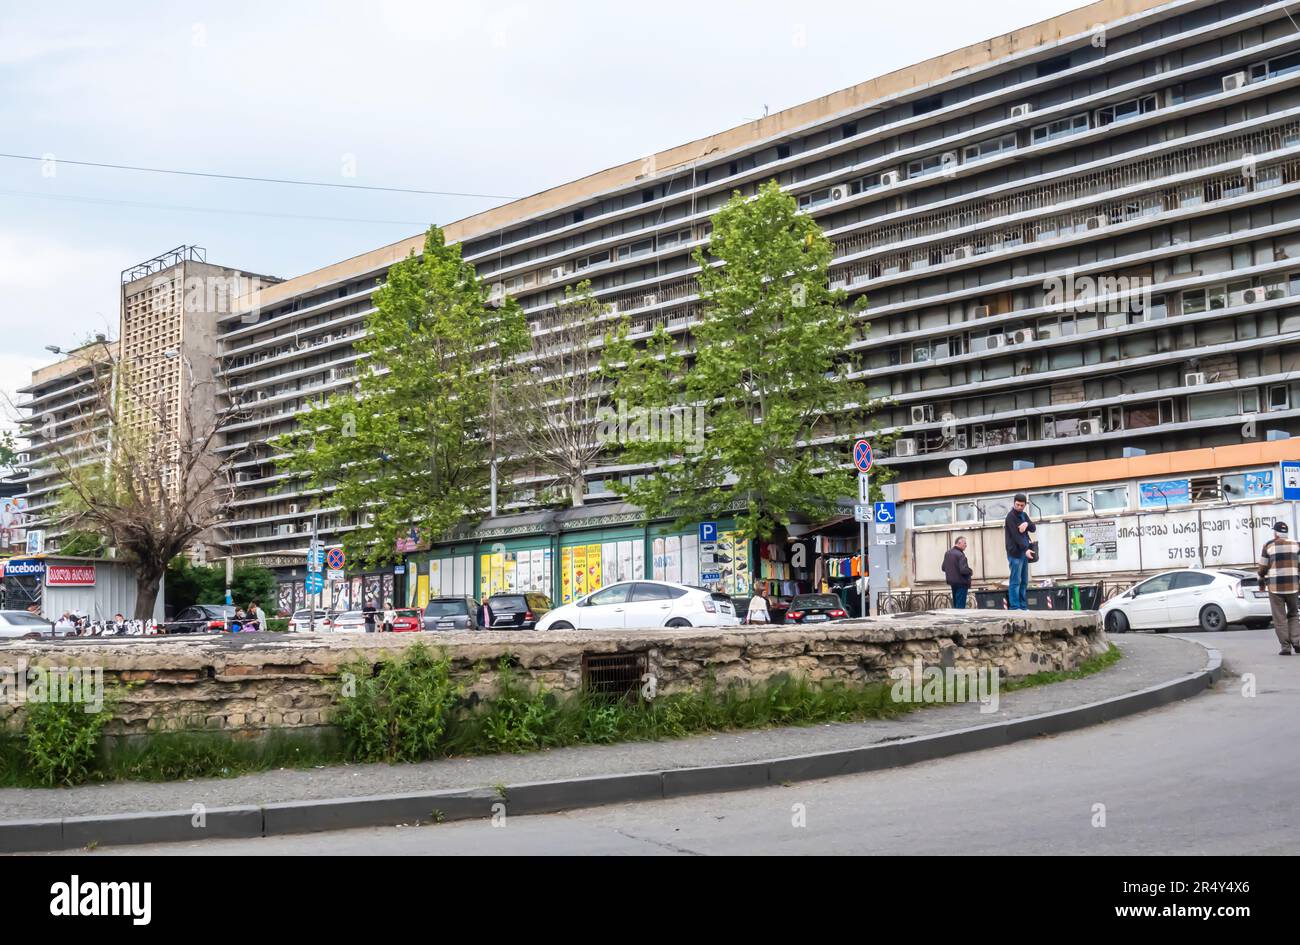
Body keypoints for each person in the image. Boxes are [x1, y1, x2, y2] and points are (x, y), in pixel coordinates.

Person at [1257, 521, 1300, 656]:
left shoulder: (1268, 545)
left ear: (1275, 533)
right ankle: (1297, 642)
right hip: (1293, 586)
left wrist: (1261, 583)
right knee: (1294, 614)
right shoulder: (1297, 545)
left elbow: (1262, 568)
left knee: (1280, 618)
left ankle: (1286, 647)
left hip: (1275, 588)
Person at [1004, 494, 1036, 611]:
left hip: (1023, 552)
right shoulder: (1010, 517)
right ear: (1014, 503)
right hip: (1015, 553)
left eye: (1022, 505)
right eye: (1017, 505)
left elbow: (1033, 528)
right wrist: (1026, 549)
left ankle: (1023, 606)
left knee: (1024, 581)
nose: (1019, 507)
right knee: (1015, 581)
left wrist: (1027, 524)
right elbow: (1016, 536)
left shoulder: (1024, 515)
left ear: (1025, 505)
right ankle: (1014, 606)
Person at [942, 537, 973, 609]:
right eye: (964, 543)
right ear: (959, 543)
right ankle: (959, 620)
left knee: (956, 606)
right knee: (960, 607)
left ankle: (955, 619)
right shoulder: (961, 555)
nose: (966, 545)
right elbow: (963, 570)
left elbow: (943, 568)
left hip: (952, 583)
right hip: (961, 583)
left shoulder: (947, 553)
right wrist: (970, 571)